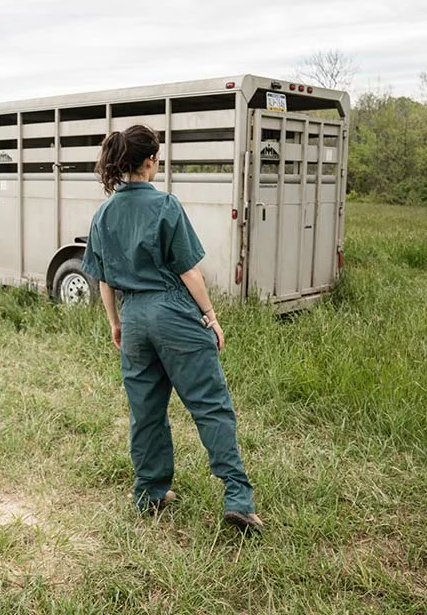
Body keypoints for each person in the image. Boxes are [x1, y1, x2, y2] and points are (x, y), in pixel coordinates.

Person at [81, 124, 264, 533]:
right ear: (149, 162)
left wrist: (116, 322)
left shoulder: (103, 213)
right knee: (209, 404)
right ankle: (237, 497)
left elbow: (105, 279)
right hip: (173, 311)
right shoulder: (166, 205)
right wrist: (211, 317)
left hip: (133, 318)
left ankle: (150, 492)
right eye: (157, 157)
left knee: (145, 410)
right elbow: (189, 271)